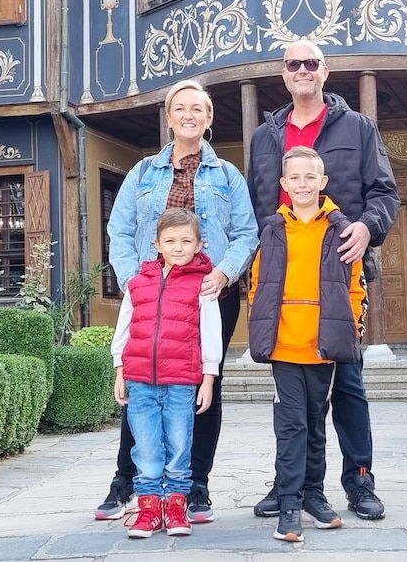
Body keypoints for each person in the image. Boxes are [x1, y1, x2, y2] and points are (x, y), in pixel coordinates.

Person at [246, 40, 399, 521]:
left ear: (325, 71)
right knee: (289, 398)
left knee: (348, 385)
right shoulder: (264, 136)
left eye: (311, 63)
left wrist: (367, 227)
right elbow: (257, 207)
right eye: (294, 64)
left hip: (338, 281)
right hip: (285, 291)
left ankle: (359, 481)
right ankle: (288, 483)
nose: (303, 70)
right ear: (284, 74)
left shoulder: (358, 127)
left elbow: (384, 193)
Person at [99, 79, 259, 523]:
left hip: (210, 297)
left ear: (208, 119)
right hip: (151, 295)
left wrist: (224, 271)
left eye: (198, 109)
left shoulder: (228, 175)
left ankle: (196, 486)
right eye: (180, 108)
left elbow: (247, 233)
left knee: (205, 384)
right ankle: (126, 483)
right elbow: (121, 232)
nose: (189, 115)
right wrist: (135, 282)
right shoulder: (142, 174)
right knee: (142, 380)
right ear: (169, 117)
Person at [248, 146, 365, 542]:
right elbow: (259, 285)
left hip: (323, 346)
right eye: (294, 178)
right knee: (291, 425)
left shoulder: (340, 229)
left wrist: (350, 330)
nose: (302, 184)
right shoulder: (273, 230)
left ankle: (314, 495)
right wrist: (262, 325)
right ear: (283, 185)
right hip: (284, 346)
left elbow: (353, 288)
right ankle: (289, 503)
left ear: (323, 182)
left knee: (316, 425)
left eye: (309, 177)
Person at [110, 208, 222, 538]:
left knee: (178, 444)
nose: (177, 247)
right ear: (156, 244)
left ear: (199, 244)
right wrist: (120, 369)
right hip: (141, 380)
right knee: (144, 446)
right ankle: (148, 508)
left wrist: (209, 377)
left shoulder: (202, 285)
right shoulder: (138, 284)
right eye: (170, 240)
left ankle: (175, 506)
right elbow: (124, 328)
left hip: (182, 382)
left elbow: (211, 332)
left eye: (186, 241)